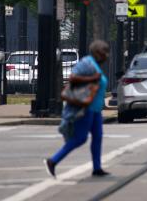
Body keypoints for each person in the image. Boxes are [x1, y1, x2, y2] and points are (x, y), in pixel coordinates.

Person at [45, 40, 110, 178]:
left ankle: (97, 168)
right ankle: (53, 161)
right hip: (85, 108)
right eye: (105, 52)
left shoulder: (96, 65)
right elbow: (73, 78)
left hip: (96, 109)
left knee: (98, 137)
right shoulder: (87, 63)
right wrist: (92, 78)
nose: (107, 55)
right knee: (80, 138)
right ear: (97, 52)